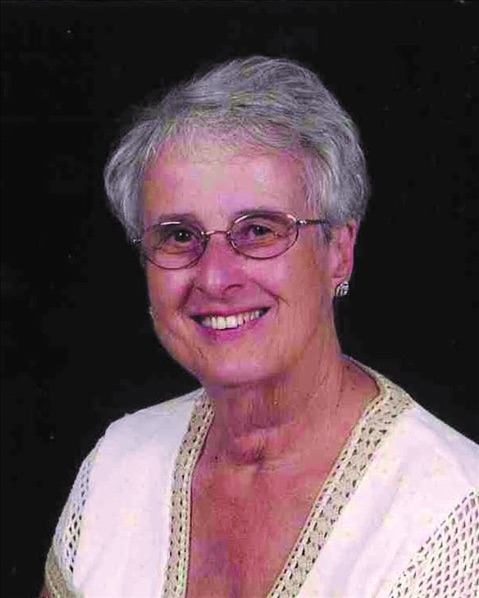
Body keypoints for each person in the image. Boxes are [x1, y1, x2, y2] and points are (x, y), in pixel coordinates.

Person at [41, 56, 478, 598]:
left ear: (338, 252)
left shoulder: (449, 515)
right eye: (179, 236)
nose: (215, 277)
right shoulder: (116, 466)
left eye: (259, 230)